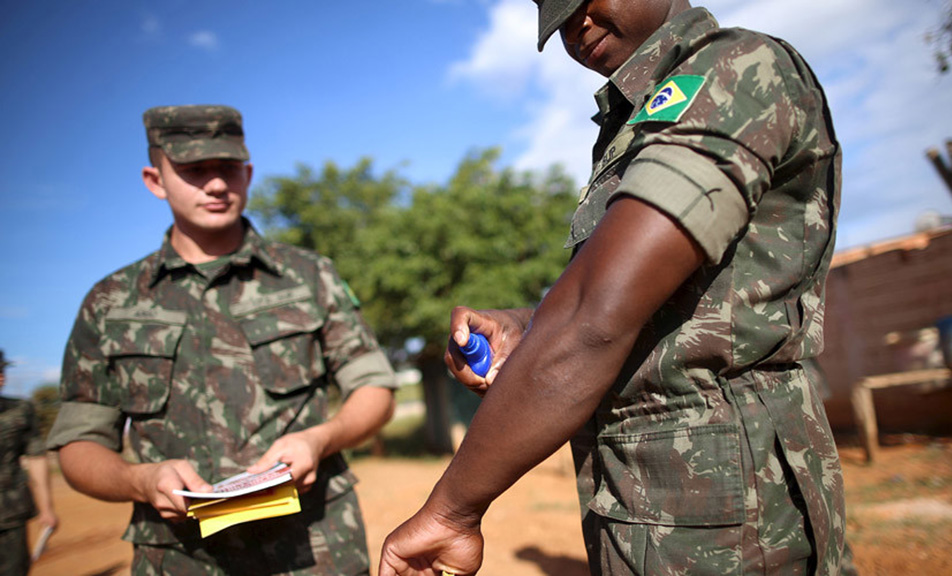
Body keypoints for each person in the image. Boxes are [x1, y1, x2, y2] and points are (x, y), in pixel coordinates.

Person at [380, 1, 845, 575]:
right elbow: (642, 296)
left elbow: (594, 317)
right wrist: (528, 324)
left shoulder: (732, 69)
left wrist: (451, 512)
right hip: (654, 503)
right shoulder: (635, 119)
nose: (577, 26)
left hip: (735, 517)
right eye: (559, 19)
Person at [47, 105, 397, 575]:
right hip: (180, 558)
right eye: (193, 171)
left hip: (316, 547)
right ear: (155, 180)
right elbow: (79, 446)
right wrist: (141, 479)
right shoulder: (110, 303)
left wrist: (320, 438)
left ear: (248, 173)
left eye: (228, 168)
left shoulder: (310, 276)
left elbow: (374, 388)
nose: (216, 184)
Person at [1, 350, 60, 576]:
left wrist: (46, 509)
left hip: (10, 511)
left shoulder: (20, 411)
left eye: (2, 369)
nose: (1, 376)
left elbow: (36, 458)